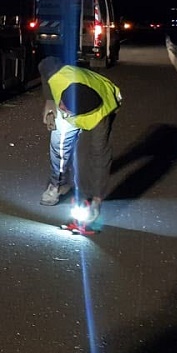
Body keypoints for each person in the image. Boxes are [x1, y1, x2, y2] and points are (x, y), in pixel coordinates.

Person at [37, 56, 122, 232]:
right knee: (59, 144)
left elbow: (100, 157)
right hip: (78, 85)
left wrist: (97, 199)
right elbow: (43, 64)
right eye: (62, 104)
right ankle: (57, 184)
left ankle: (91, 198)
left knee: (91, 155)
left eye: (65, 110)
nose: (61, 108)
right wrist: (50, 101)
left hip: (102, 100)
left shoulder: (99, 118)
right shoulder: (58, 76)